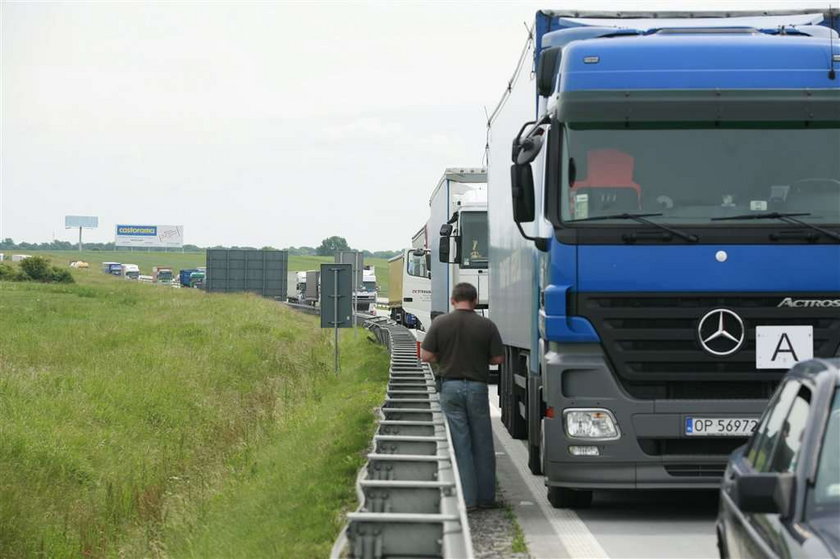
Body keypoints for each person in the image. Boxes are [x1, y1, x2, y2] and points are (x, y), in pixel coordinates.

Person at [420, 282, 504, 511]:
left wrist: (444, 358)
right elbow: (498, 359)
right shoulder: (486, 325)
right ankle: (487, 498)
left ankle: (467, 500)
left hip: (450, 387)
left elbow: (425, 355)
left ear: (452, 300)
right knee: (483, 442)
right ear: (475, 300)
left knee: (460, 443)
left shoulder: (440, 323)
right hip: (477, 387)